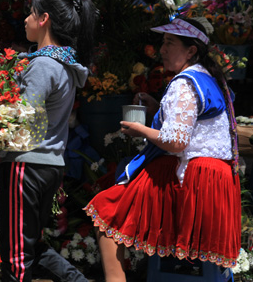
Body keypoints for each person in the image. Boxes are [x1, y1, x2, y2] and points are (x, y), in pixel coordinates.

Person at [84, 18, 241, 282]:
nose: (162, 49)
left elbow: (177, 143)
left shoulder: (184, 82)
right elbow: (194, 127)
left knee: (106, 210)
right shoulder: (208, 78)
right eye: (162, 43)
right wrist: (158, 108)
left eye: (170, 43)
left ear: (191, 51)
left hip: (192, 181)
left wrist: (140, 129)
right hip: (216, 182)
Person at [0, 0, 96, 282]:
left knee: (16, 257)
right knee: (31, 246)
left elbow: (23, 118)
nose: (26, 19)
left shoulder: (42, 65)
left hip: (25, 166)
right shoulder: (64, 64)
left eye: (31, 13)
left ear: (44, 19)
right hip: (49, 165)